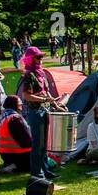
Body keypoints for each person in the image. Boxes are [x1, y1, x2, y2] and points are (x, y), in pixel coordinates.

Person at [17, 46, 61, 182]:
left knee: (44, 144)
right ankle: (37, 172)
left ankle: (45, 170)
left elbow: (46, 92)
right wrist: (44, 99)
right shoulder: (28, 75)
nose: (41, 60)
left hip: (45, 110)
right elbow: (26, 96)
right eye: (38, 57)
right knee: (37, 144)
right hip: (35, 112)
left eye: (41, 57)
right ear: (30, 59)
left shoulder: (40, 73)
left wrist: (56, 105)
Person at [0, 96, 34, 173]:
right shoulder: (15, 119)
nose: (21, 107)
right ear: (14, 105)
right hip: (19, 154)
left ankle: (11, 165)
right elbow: (26, 142)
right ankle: (16, 166)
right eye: (20, 104)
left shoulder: (4, 116)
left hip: (6, 154)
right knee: (42, 162)